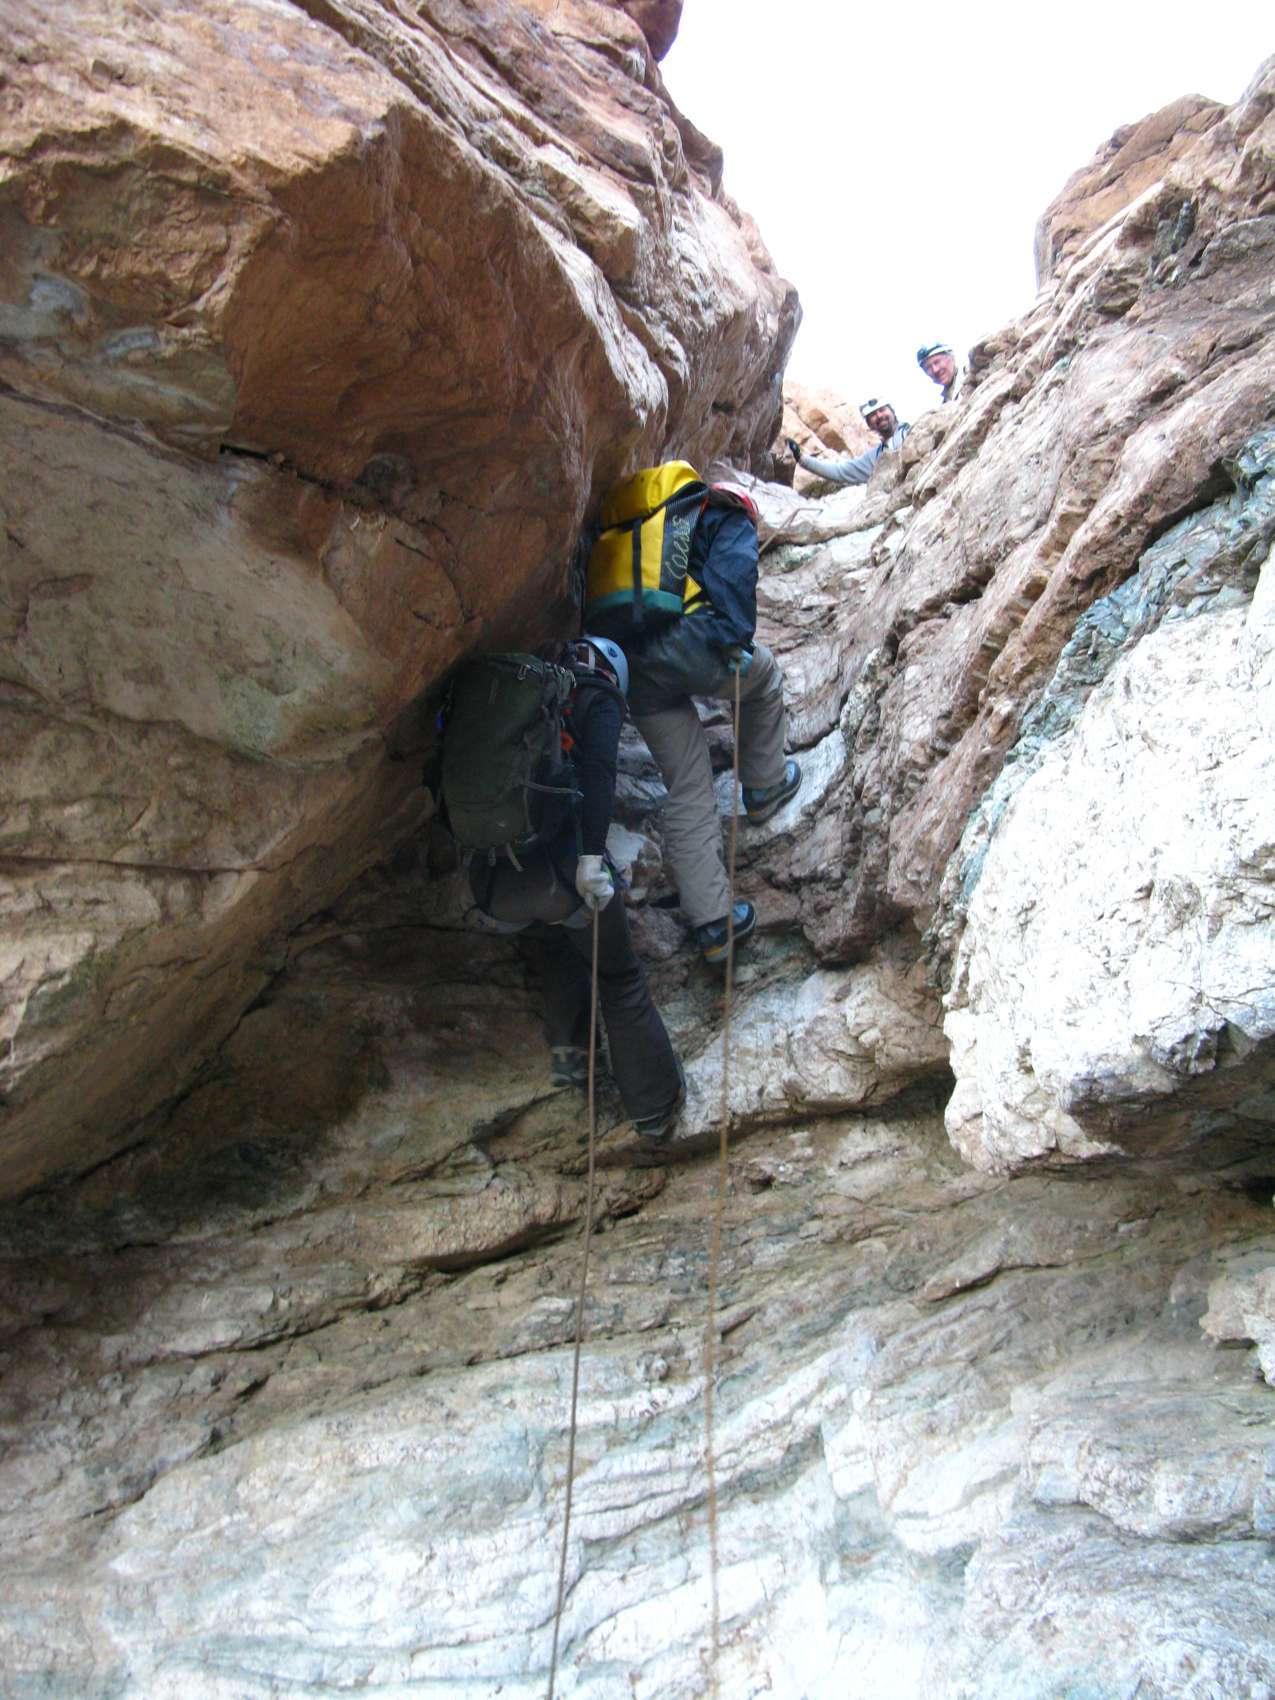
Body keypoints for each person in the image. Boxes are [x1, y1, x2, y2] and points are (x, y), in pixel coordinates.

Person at [467, 636, 684, 1138]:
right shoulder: (597, 694)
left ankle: (572, 1056)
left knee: (558, 945)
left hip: (495, 883)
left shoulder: (529, 693)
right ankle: (654, 1109)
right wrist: (590, 861)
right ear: (611, 671)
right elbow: (600, 772)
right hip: (563, 876)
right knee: (618, 975)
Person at [622, 485, 802, 965]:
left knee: (686, 785)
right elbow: (734, 573)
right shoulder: (726, 514)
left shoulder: (641, 533)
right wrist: (734, 638)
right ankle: (764, 787)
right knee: (764, 677)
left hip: (634, 665)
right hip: (688, 642)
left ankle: (714, 926)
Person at [785, 398, 910, 486]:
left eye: (882, 410)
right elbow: (840, 472)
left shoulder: (914, 431)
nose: (879, 416)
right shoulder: (874, 458)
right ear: (869, 425)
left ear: (892, 411)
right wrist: (801, 458)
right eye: (873, 415)